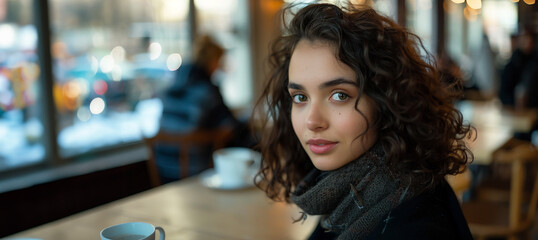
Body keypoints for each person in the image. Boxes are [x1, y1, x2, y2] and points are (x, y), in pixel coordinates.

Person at [253, 3, 474, 239]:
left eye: (339, 95)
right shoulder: (353, 189)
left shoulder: (414, 225)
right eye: (300, 97)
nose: (312, 121)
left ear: (387, 101)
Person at [156, 35, 254, 183]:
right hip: (193, 168)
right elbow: (230, 124)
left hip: (163, 167)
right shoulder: (207, 90)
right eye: (219, 61)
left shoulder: (174, 85)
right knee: (243, 134)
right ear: (213, 61)